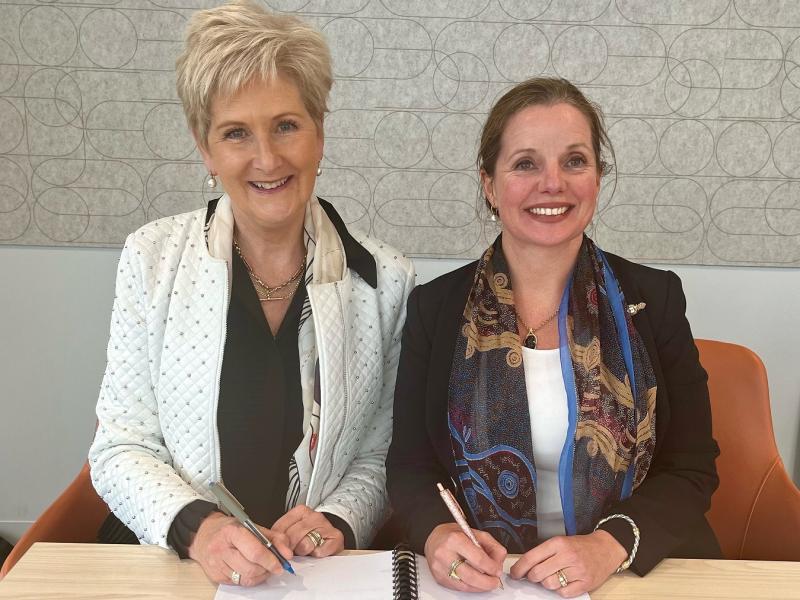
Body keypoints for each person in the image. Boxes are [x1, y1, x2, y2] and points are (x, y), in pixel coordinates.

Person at [88, 0, 414, 588]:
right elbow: (119, 447)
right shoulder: (151, 257)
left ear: (320, 131)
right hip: (169, 558)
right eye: (236, 133)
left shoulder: (385, 279)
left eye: (286, 125)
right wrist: (201, 530)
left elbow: (378, 458)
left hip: (308, 573)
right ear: (205, 148)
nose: (267, 159)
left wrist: (338, 519)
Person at [386, 77, 721, 597]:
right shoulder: (435, 308)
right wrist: (437, 533)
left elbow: (692, 467)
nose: (553, 183)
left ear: (598, 177)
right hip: (486, 582)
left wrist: (609, 546)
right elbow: (410, 466)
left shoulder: (655, 300)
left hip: (628, 575)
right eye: (525, 163)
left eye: (574, 161)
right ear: (489, 184)